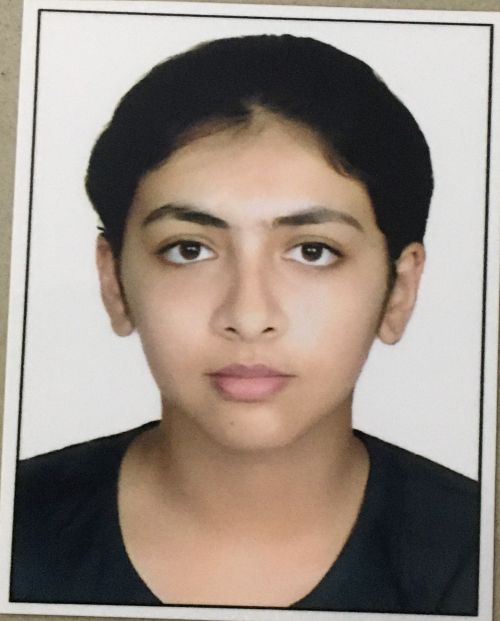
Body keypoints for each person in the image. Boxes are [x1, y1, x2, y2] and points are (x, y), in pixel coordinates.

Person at [10, 34, 479, 613]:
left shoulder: (473, 554)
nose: (249, 316)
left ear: (399, 290)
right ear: (114, 282)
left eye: (313, 251)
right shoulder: (17, 527)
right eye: (188, 250)